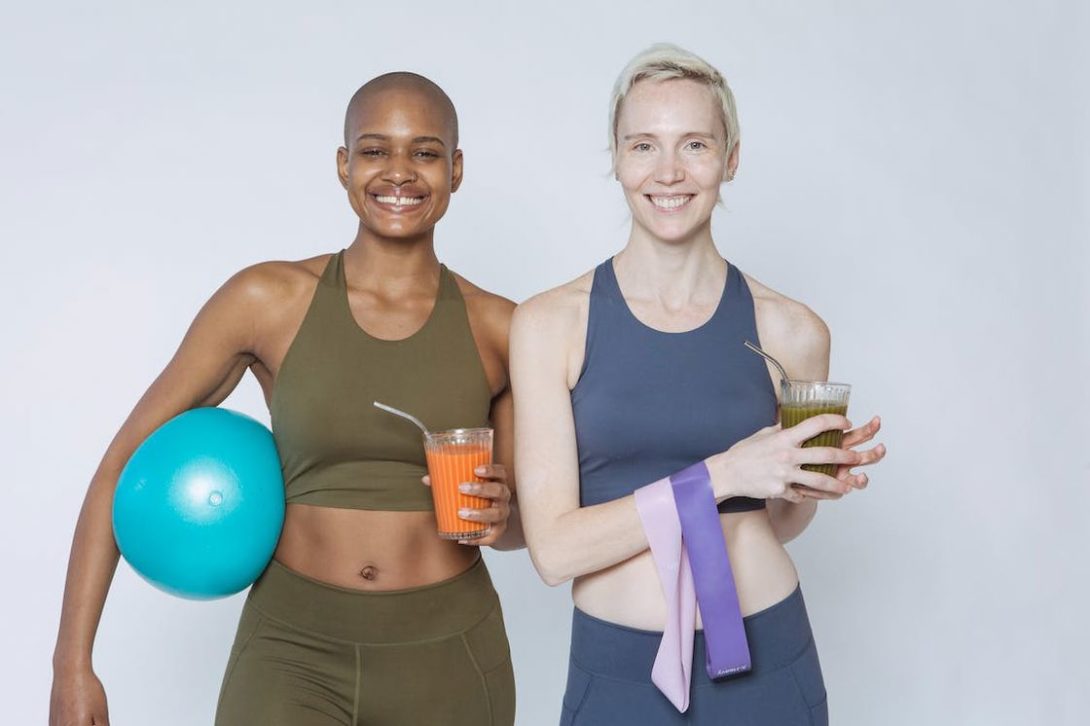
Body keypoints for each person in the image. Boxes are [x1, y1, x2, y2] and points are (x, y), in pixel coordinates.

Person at [50, 72, 519, 726]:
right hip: (292, 652)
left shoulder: (503, 328)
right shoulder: (267, 302)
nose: (400, 173)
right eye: (376, 149)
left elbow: (524, 528)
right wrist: (72, 664)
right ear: (343, 163)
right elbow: (120, 469)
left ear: (456, 168)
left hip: (448, 656)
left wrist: (504, 519)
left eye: (426, 151)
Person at [510, 44, 886, 725]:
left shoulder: (794, 331)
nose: (669, 172)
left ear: (730, 159)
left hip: (770, 660)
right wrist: (723, 473)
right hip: (619, 674)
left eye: (695, 145)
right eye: (644, 145)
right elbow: (555, 551)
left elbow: (782, 520)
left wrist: (808, 482)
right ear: (617, 158)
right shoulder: (548, 325)